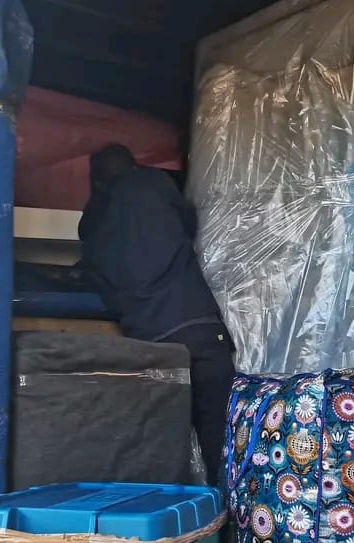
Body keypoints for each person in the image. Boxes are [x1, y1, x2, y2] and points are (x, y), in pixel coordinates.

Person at [78, 144, 236, 485]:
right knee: (222, 445)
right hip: (197, 329)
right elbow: (190, 222)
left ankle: (179, 519)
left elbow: (97, 279)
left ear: (96, 181)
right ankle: (230, 516)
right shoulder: (151, 184)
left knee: (163, 456)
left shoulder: (92, 223)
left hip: (150, 347)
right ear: (133, 167)